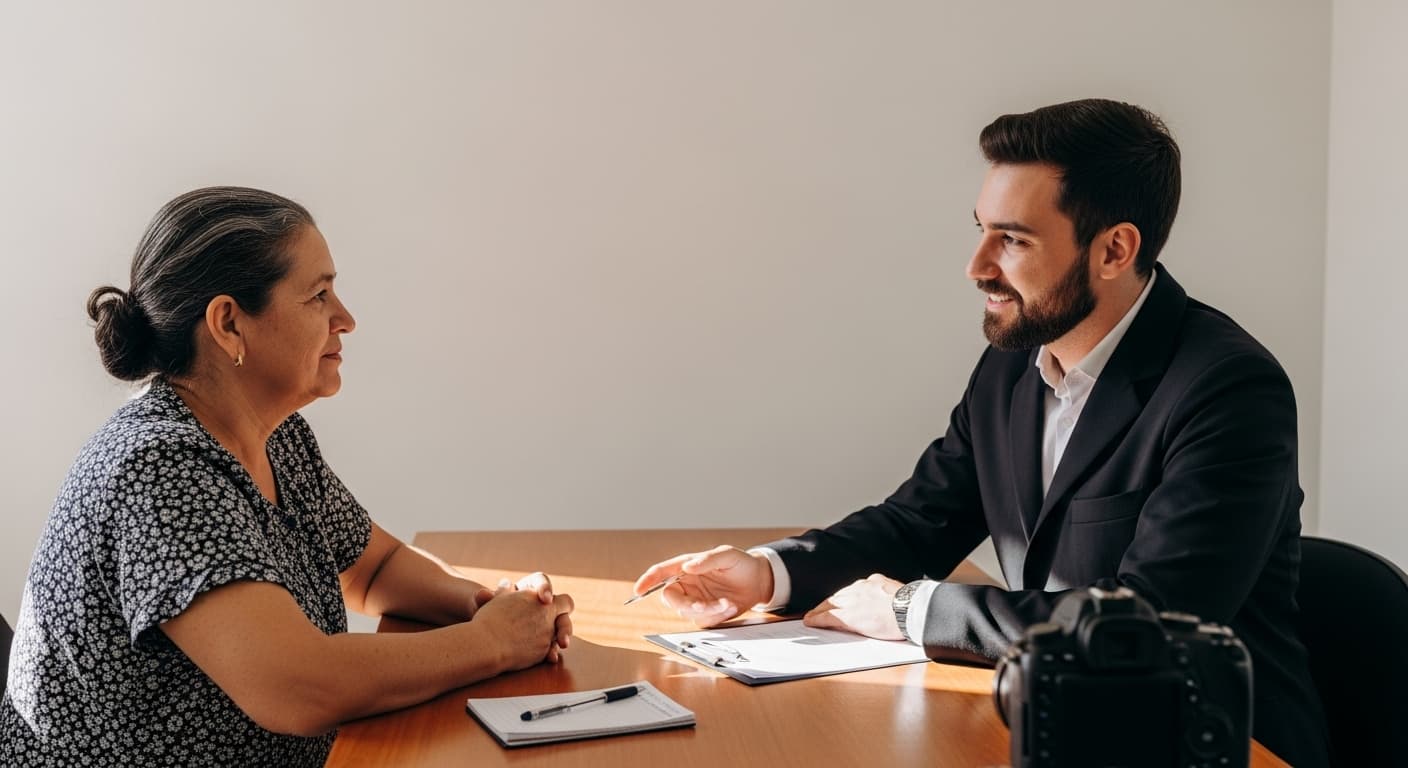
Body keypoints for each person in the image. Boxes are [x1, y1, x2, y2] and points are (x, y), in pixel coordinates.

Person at [634, 99, 1330, 766]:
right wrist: (768, 573)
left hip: (1202, 742)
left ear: (1115, 249)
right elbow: (918, 522)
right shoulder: (1011, 367)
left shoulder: (1228, 389)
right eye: (981, 230)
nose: (978, 267)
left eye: (1014, 240)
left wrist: (913, 608)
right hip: (1045, 724)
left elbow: (1148, 622)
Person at [0, 187, 575, 767]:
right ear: (228, 324)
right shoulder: (159, 468)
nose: (345, 319)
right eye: (318, 296)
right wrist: (492, 643)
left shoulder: (275, 436)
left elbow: (374, 569)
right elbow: (298, 688)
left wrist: (492, 604)